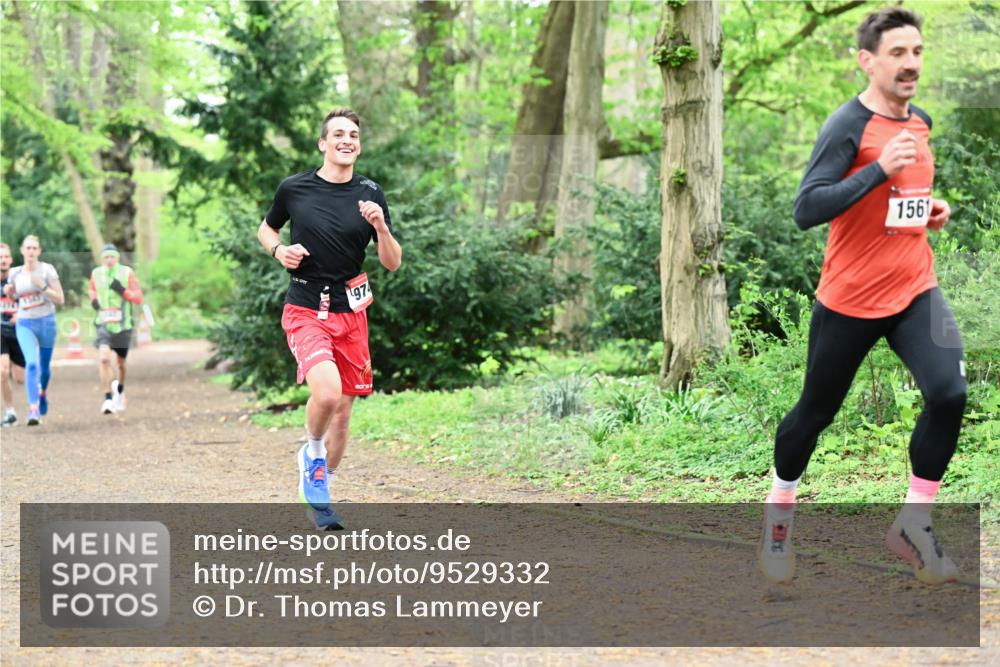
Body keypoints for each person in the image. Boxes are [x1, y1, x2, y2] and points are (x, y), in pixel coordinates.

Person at [759, 7, 966, 586]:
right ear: (867, 61)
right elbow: (808, 208)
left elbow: (899, 203)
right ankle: (779, 515)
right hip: (850, 299)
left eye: (918, 52)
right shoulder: (846, 126)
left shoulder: (919, 122)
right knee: (813, 415)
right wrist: (877, 169)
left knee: (949, 392)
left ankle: (913, 527)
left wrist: (928, 211)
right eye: (898, 53)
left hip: (914, 288)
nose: (911, 64)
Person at [258, 108, 402, 529]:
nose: (347, 140)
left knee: (343, 411)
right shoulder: (295, 188)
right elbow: (266, 229)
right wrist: (279, 250)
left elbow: (392, 263)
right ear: (323, 143)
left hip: (351, 312)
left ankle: (320, 490)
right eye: (338, 133)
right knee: (325, 394)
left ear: (358, 144)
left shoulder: (371, 193)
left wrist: (381, 228)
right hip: (306, 308)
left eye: (353, 134)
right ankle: (312, 452)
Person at [3, 235, 64, 426]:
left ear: (39, 251)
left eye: (34, 248)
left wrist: (43, 286)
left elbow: (60, 299)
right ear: (22, 251)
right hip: (25, 324)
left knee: (44, 369)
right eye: (27, 248)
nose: (30, 252)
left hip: (46, 322)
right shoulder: (15, 273)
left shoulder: (47, 270)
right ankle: (33, 409)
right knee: (31, 364)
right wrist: (10, 292)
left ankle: (42, 393)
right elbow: (14, 297)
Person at [88, 243, 144, 414]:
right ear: (102, 259)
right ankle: (107, 399)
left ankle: (119, 389)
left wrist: (122, 290)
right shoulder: (96, 273)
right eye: (106, 257)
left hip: (123, 326)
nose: (109, 260)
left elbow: (138, 298)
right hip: (103, 323)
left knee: (120, 363)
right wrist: (94, 300)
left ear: (117, 258)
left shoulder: (127, 273)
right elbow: (91, 289)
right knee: (104, 359)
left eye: (112, 257)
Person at [1, 242, 26, 426]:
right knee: (2, 371)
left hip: (19, 331)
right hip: (1, 332)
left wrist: (20, 313)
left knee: (20, 379)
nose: (3, 260)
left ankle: (38, 393)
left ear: (11, 259)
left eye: (6, 257)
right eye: (0, 257)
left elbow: (31, 300)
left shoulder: (20, 278)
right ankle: (10, 412)